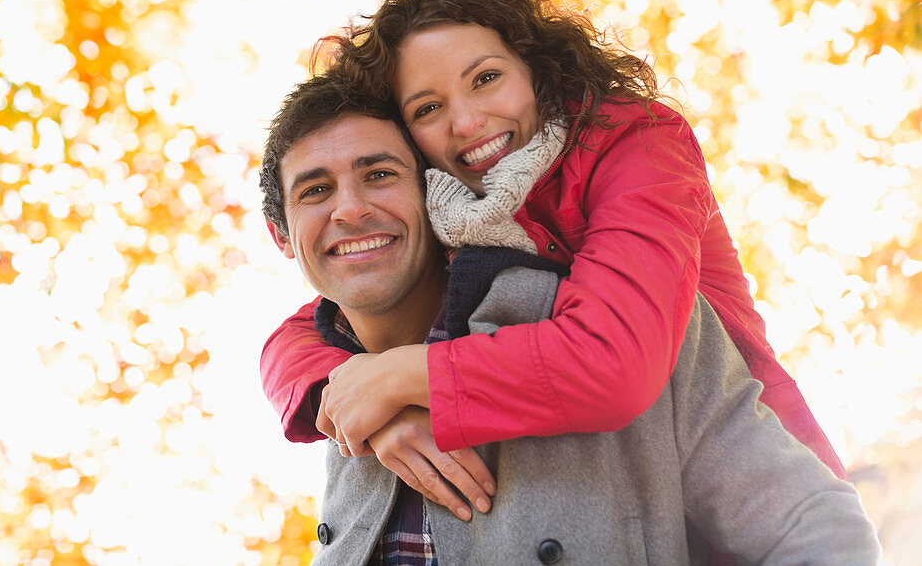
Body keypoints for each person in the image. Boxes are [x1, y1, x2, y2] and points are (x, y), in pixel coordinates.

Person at [259, 0, 848, 487]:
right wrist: (350, 397)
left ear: (535, 69)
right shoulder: (450, 207)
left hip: (756, 488)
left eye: (486, 78)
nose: (466, 121)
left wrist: (402, 378)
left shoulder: (634, 142)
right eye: (428, 109)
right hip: (610, 498)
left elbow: (615, 362)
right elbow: (307, 328)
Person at [258, 74, 879, 564]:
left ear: (433, 192)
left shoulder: (627, 322)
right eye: (314, 191)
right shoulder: (340, 394)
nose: (351, 209)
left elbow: (817, 532)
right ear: (282, 236)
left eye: (379, 175)